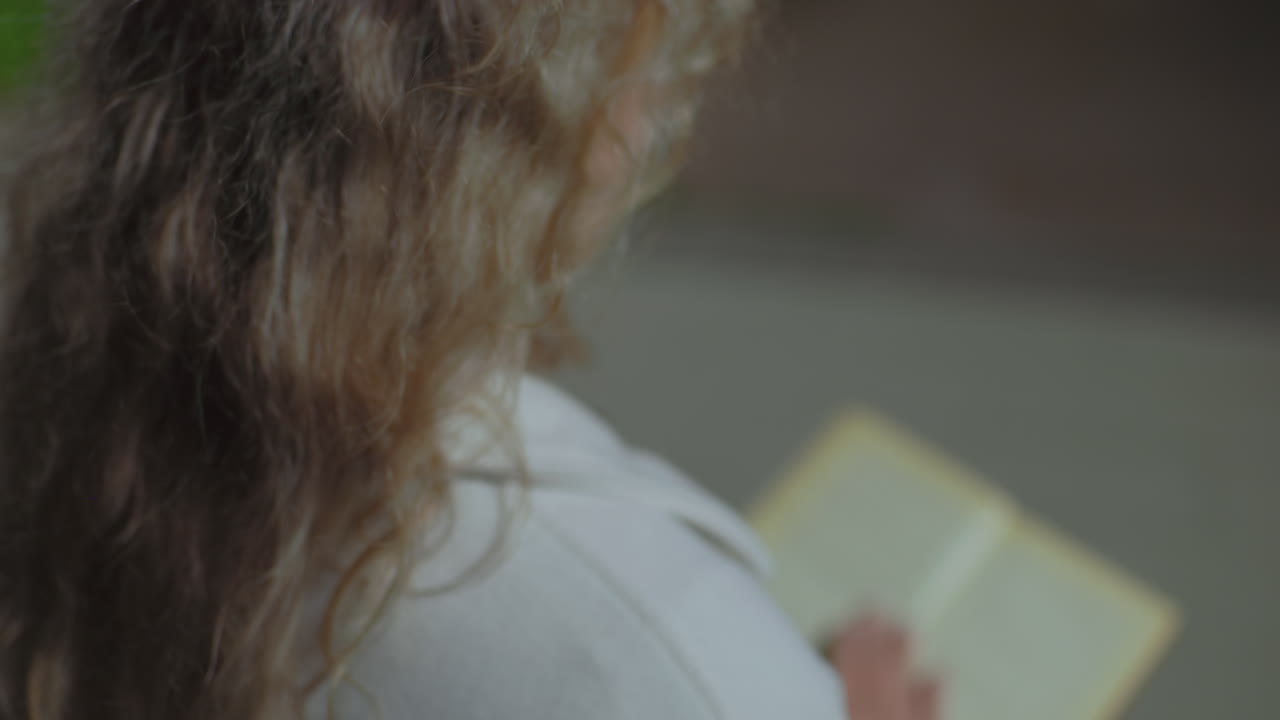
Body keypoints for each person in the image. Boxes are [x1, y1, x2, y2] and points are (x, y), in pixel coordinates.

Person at [0, 1, 939, 719]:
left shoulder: (55, 417)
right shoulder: (639, 637)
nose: (648, 119)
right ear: (544, 114)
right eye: (635, 59)